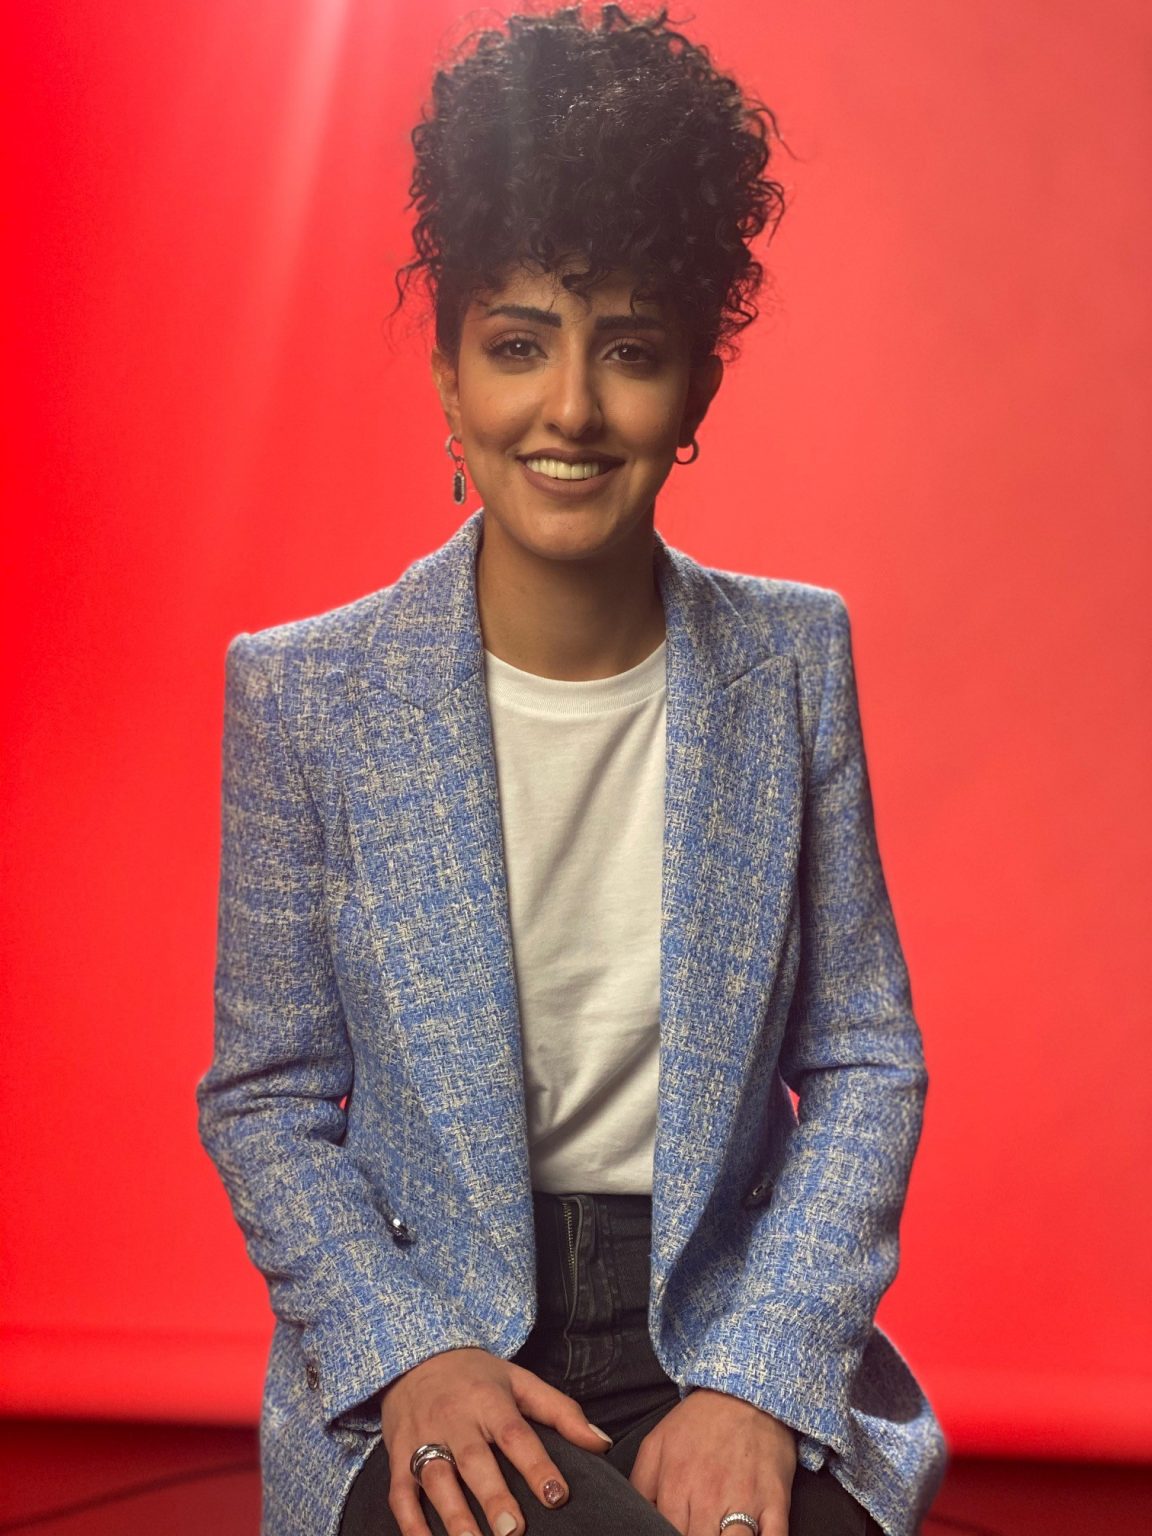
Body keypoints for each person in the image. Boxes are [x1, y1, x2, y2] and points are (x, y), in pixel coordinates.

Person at [195, 6, 949, 1536]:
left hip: (714, 1322)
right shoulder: (305, 694)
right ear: (448, 373)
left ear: (699, 390)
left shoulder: (790, 661)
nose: (571, 410)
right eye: (520, 344)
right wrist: (410, 1352)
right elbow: (263, 1096)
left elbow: (867, 1058)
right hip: (439, 1340)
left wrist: (756, 1378)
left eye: (632, 353)